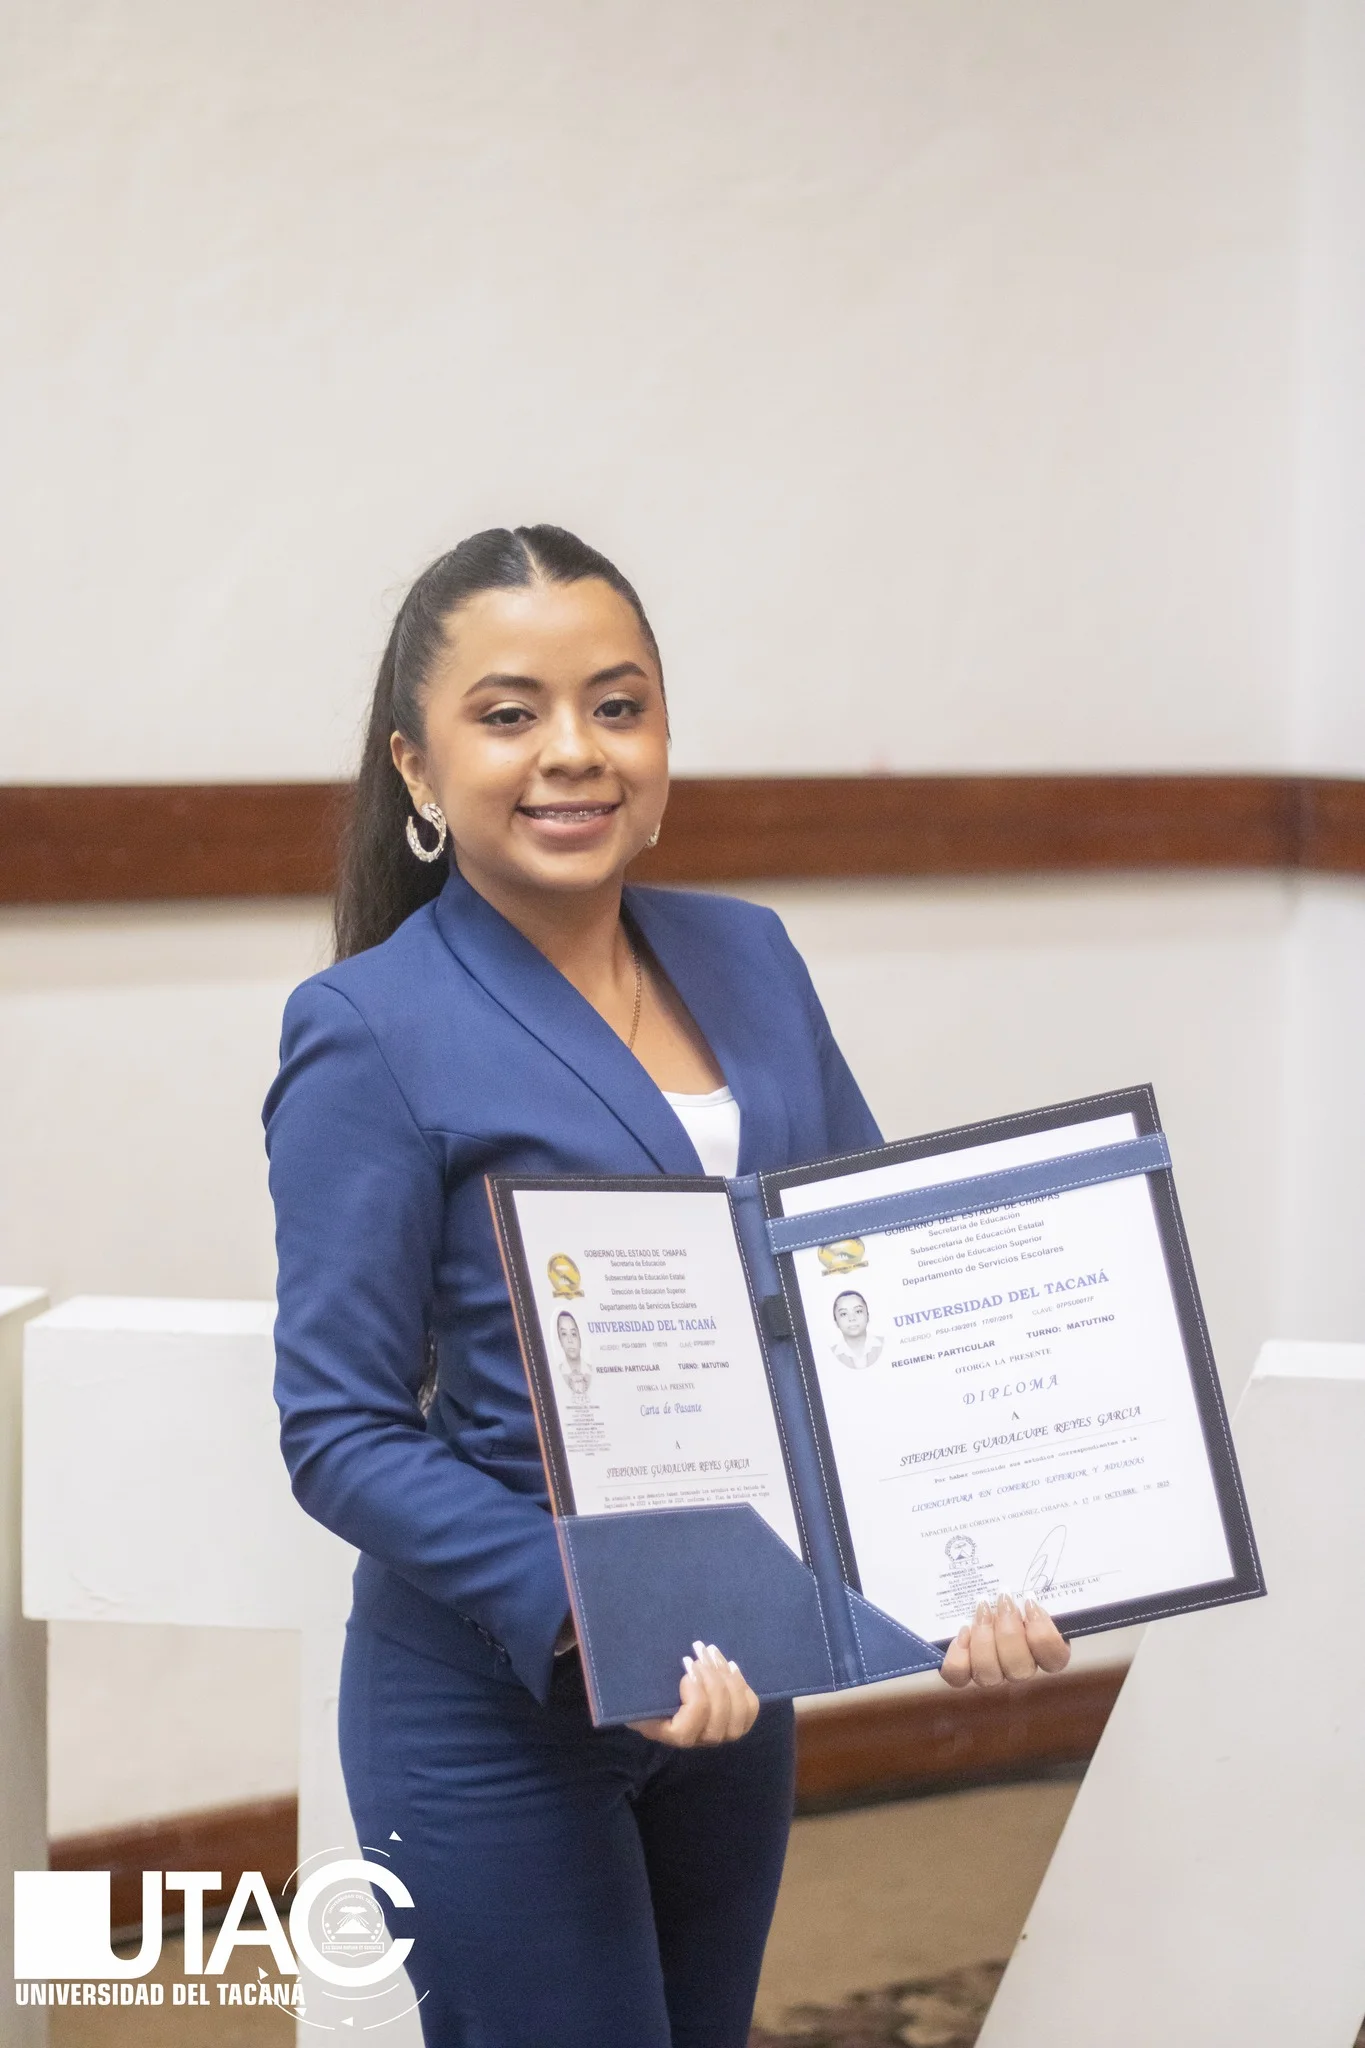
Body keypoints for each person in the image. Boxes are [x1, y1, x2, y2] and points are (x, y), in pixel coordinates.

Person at [264, 525, 1070, 2048]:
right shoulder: (367, 1027)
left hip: (735, 1683)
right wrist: (597, 1620)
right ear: (418, 770)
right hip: (498, 1698)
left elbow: (871, 1308)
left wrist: (978, 1562)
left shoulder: (750, 954)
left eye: (617, 705)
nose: (574, 749)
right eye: (510, 714)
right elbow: (337, 1430)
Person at [830, 1288, 884, 1369]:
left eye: (858, 1311)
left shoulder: (885, 1344)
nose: (852, 1318)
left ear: (868, 1316)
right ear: (836, 1322)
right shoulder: (830, 1354)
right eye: (844, 1314)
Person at [555, 1308, 593, 1401]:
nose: (570, 1340)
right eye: (564, 1334)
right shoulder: (556, 1374)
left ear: (580, 1337)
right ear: (559, 1340)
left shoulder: (592, 1371)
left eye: (573, 1334)